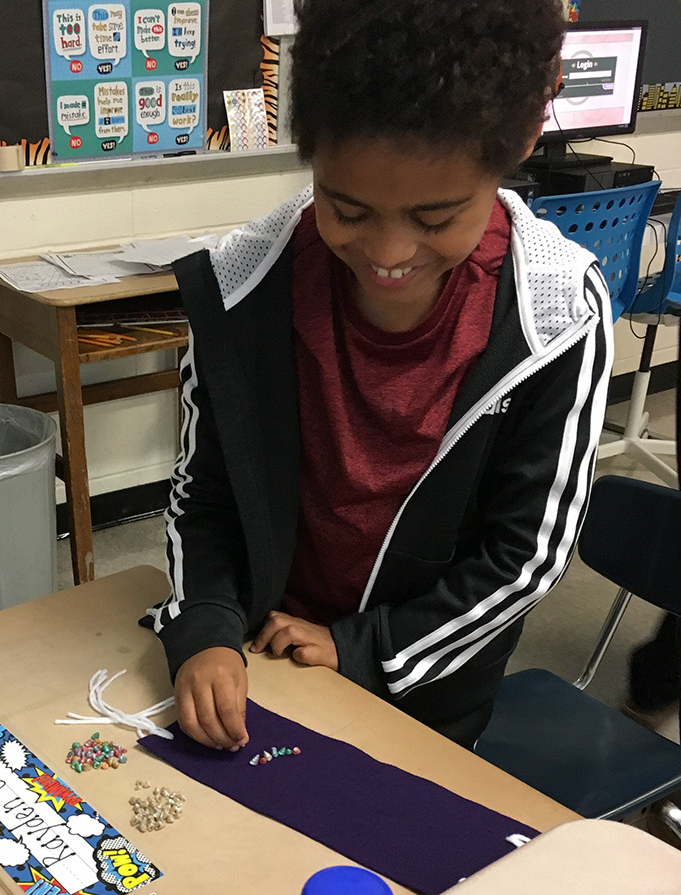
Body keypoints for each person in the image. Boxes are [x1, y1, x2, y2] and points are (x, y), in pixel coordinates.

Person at [150, 0, 613, 749]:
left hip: (422, 693)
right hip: (265, 660)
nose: (389, 251)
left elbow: (525, 555)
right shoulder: (244, 286)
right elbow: (203, 494)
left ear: (521, 141)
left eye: (435, 219)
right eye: (347, 208)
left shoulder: (554, 315)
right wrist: (203, 626)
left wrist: (368, 647)